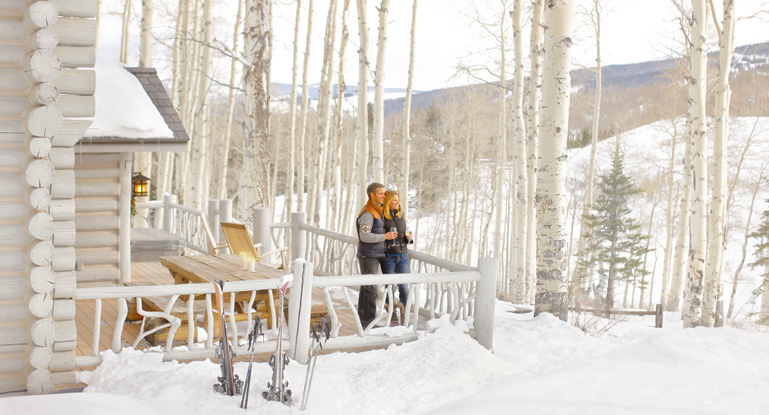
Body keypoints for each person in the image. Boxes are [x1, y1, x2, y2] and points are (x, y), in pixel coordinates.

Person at [356, 182, 397, 328]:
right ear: (372, 195)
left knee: (368, 288)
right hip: (368, 256)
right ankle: (368, 323)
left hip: (376, 254)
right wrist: (385, 237)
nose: (384, 196)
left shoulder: (377, 210)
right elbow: (364, 236)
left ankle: (364, 322)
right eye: (381, 193)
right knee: (370, 289)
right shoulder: (368, 213)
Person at [381, 190, 413, 306]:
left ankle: (405, 310)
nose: (397, 202)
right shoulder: (382, 216)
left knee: (404, 286)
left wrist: (410, 237)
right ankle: (390, 310)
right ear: (388, 201)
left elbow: (405, 230)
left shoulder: (401, 215)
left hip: (403, 255)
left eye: (398, 200)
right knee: (389, 286)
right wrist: (386, 238)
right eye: (394, 200)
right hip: (388, 256)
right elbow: (379, 235)